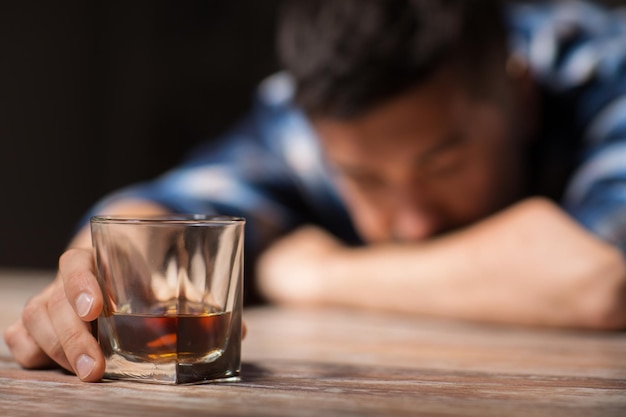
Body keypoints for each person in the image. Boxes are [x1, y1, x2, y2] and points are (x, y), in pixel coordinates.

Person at [5, 0, 626, 382]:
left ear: (519, 96)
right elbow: (161, 210)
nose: (410, 222)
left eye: (443, 162)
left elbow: (600, 279)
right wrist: (94, 275)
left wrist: (312, 273)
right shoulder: (309, 111)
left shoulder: (606, 66)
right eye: (362, 178)